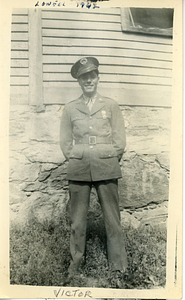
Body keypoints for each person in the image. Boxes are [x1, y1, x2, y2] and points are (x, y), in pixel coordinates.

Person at [60, 56, 128, 288]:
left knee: (112, 219)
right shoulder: (70, 108)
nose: (88, 80)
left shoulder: (110, 105)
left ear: (98, 78)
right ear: (79, 81)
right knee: (77, 221)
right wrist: (76, 156)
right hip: (78, 166)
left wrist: (108, 156)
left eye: (92, 76)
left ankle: (118, 267)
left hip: (106, 164)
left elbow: (119, 140)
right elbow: (65, 141)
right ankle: (75, 266)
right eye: (83, 77)